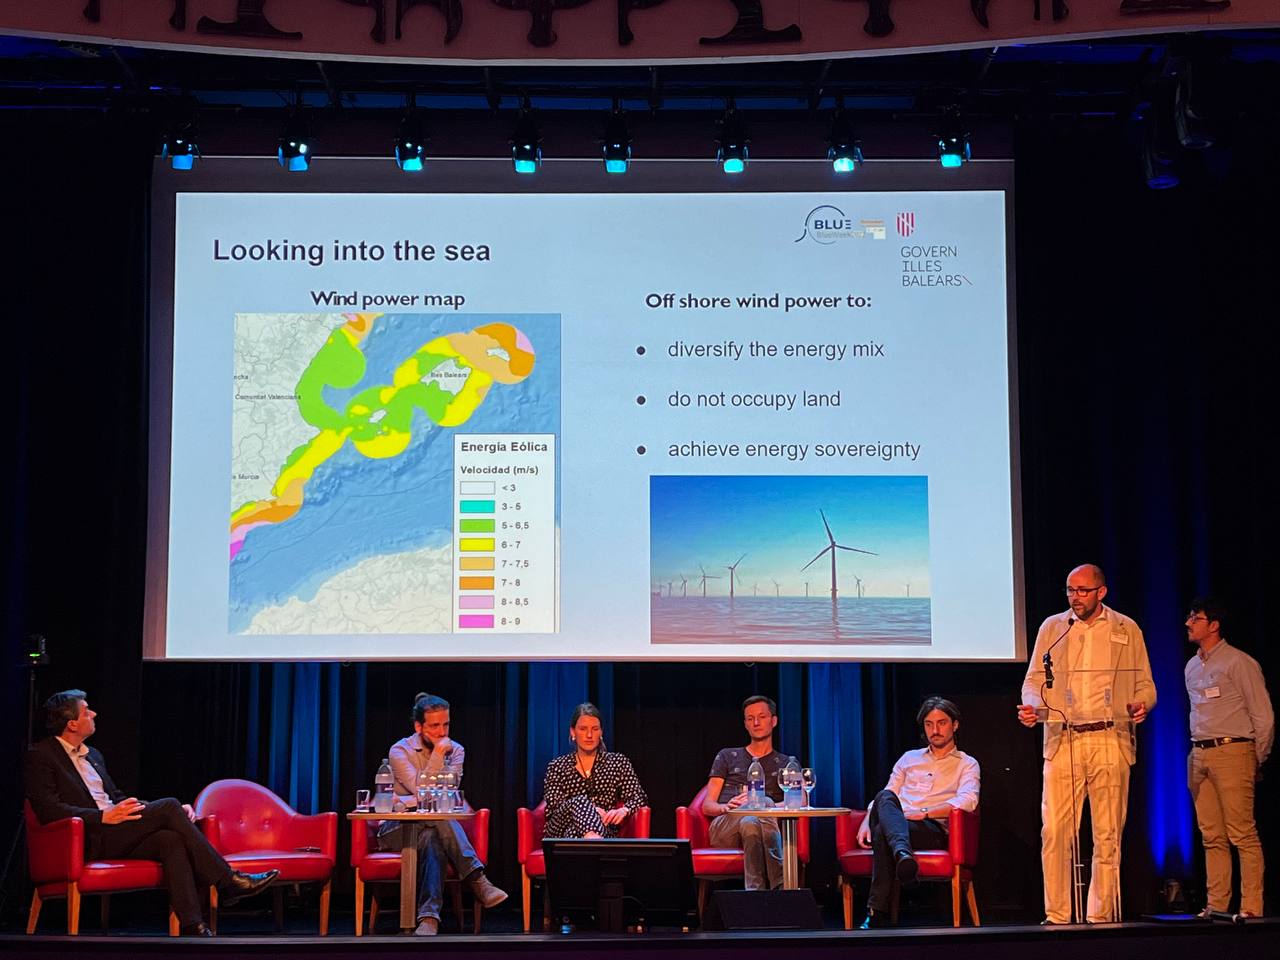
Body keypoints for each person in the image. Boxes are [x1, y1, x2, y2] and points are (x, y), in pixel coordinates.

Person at [23, 690, 278, 937]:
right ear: (71, 724)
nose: (94, 714)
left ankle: (193, 926)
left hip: (115, 831)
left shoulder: (94, 755)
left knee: (170, 840)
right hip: (86, 838)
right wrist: (101, 817)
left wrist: (156, 812)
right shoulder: (42, 755)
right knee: (170, 805)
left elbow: (117, 798)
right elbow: (48, 809)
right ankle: (228, 881)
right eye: (87, 711)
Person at [1017, 563, 1156, 924]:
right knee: (1055, 831)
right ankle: (1057, 914)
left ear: (1101, 592)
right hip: (1064, 738)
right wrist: (1032, 707)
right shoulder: (1053, 627)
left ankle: (1100, 916)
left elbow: (1145, 684)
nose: (1074, 598)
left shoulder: (1126, 628)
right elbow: (1033, 680)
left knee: (1107, 834)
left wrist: (1142, 703)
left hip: (1110, 736)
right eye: (1070, 590)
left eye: (1082, 591)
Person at [377, 692, 507, 936]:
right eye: (434, 726)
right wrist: (437, 756)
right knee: (438, 815)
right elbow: (424, 792)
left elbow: (445, 797)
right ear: (419, 726)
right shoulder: (399, 751)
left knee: (433, 836)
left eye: (446, 724)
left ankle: (429, 919)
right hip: (396, 828)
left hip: (433, 827)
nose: (442, 732)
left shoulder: (456, 750)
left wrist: (406, 801)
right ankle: (477, 879)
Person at [1183, 597, 1273, 919]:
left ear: (1214, 625)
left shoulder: (1239, 662)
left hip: (1233, 750)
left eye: (1195, 618)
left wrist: (1256, 757)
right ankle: (1217, 906)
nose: (1188, 623)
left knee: (1242, 833)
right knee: (1211, 836)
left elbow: (1263, 716)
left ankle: (1251, 907)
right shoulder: (1192, 666)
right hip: (1199, 752)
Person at [857, 697, 980, 929]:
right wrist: (866, 820)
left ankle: (876, 912)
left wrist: (925, 813)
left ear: (955, 725)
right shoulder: (909, 758)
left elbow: (968, 801)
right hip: (899, 823)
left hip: (931, 828)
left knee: (882, 831)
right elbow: (887, 794)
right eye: (929, 724)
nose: (935, 730)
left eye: (942, 723)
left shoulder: (967, 764)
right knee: (884, 797)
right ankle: (902, 854)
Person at [700, 695, 788, 890]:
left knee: (751, 819)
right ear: (746, 724)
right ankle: (781, 886)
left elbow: (801, 801)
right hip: (726, 826)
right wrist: (726, 807)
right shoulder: (727, 756)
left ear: (773, 721)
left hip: (762, 826)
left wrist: (763, 804)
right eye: (750, 718)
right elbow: (707, 805)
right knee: (756, 808)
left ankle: (754, 894)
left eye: (762, 717)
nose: (756, 722)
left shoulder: (786, 763)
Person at [542, 702, 646, 838]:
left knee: (574, 834)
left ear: (601, 732)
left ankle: (591, 838)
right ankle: (595, 841)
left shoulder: (618, 762)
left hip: (602, 829)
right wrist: (590, 810)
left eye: (595, 729)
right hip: (559, 829)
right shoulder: (557, 766)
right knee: (579, 801)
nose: (589, 735)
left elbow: (639, 797)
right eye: (583, 729)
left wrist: (624, 810)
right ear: (573, 732)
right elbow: (554, 806)